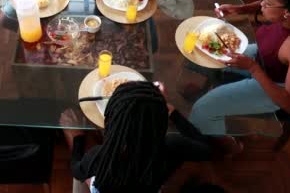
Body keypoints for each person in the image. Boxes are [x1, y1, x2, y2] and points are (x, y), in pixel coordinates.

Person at [189, 0, 290, 137]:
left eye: (267, 2)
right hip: (262, 58)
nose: (261, 5)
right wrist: (240, 8)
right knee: (203, 51)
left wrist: (253, 68)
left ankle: (225, 146)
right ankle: (208, 86)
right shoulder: (286, 15)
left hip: (272, 85)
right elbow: (265, 3)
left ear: (288, 12)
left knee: (203, 108)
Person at [61, 81, 212, 193]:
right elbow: (206, 149)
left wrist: (77, 137)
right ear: (160, 121)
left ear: (111, 120)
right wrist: (173, 112)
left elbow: (76, 170)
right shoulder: (173, 146)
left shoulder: (101, 156)